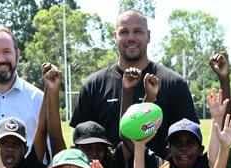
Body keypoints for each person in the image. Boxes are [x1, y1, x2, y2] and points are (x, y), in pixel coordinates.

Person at [70, 10, 197, 159]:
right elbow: (81, 143)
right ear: (114, 37)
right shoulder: (93, 85)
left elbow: (189, 140)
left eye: (137, 31)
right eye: (124, 32)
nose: (131, 38)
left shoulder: (174, 83)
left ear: (148, 36)